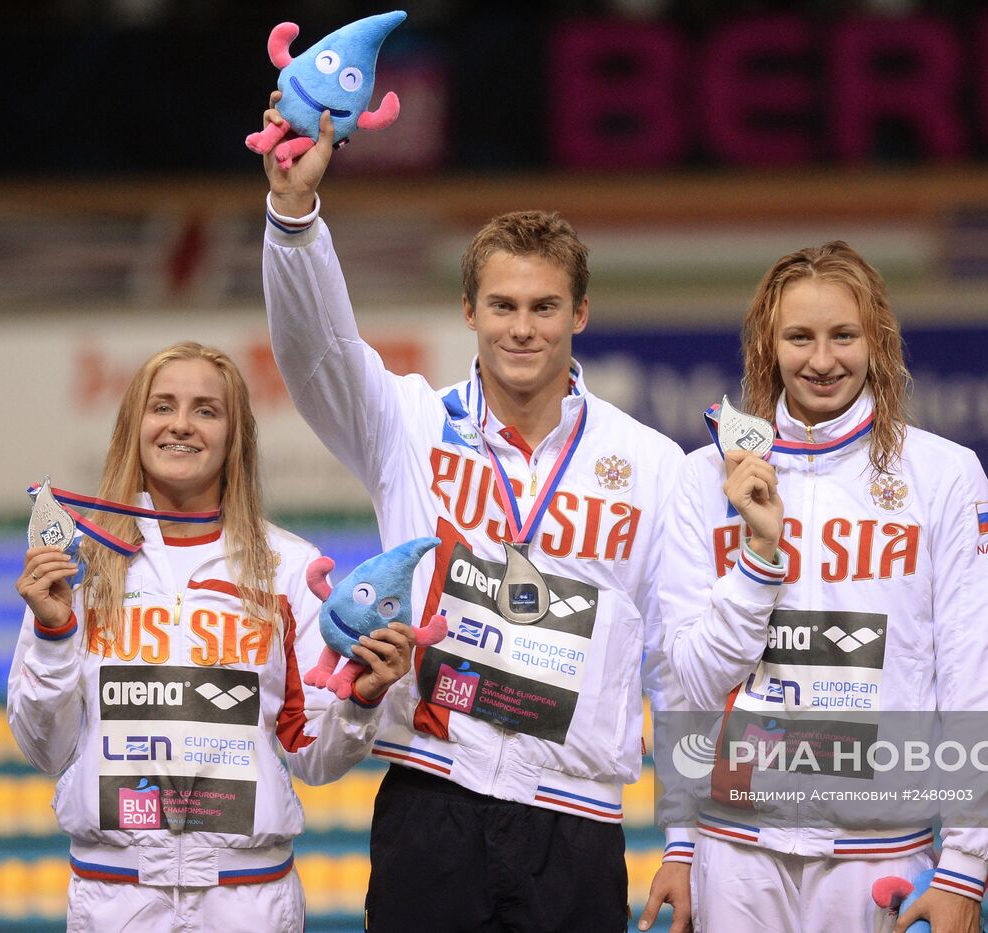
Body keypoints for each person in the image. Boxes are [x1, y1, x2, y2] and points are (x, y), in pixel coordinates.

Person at [257, 101, 691, 932]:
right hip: (433, 795)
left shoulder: (650, 465)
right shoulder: (407, 425)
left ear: (581, 314)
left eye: (544, 307)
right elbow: (318, 350)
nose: (522, 328)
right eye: (502, 306)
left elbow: (674, 659)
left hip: (576, 820)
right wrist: (294, 216)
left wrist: (683, 842)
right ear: (469, 312)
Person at [8, 341, 416, 932]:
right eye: (163, 406)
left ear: (234, 436)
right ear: (135, 426)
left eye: (206, 409)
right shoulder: (78, 564)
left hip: (247, 900)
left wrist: (363, 699)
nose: (181, 424)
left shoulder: (286, 567)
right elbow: (45, 748)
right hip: (116, 897)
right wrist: (53, 633)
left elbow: (315, 758)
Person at [659, 241, 988, 932]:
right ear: (767, 344)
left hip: (882, 853)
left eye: (843, 335)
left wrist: (966, 860)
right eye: (800, 337)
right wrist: (678, 838)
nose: (822, 360)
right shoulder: (703, 479)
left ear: (877, 340)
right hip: (736, 853)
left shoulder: (944, 475)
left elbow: (974, 674)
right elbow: (689, 682)